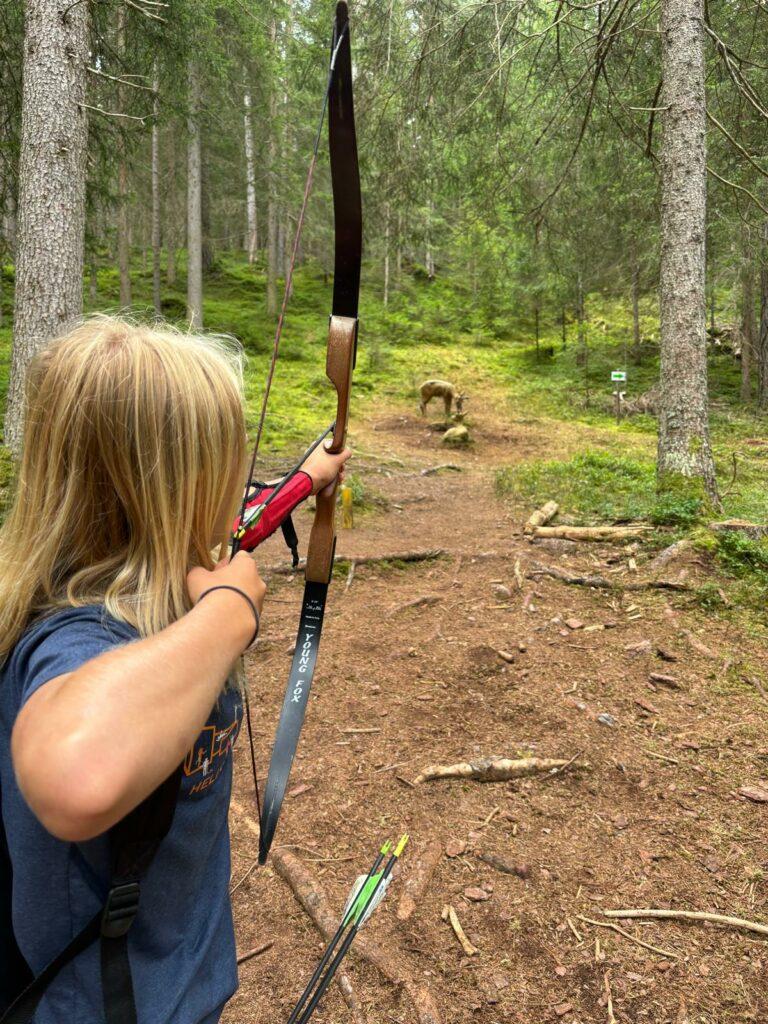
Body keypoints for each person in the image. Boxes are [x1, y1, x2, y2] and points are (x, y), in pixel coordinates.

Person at [0, 316, 349, 1024]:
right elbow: (75, 772)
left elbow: (240, 526)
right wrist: (228, 613)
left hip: (171, 981)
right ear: (167, 486)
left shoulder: (175, 566)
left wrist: (310, 476)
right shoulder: (78, 635)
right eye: (224, 460)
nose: (235, 484)